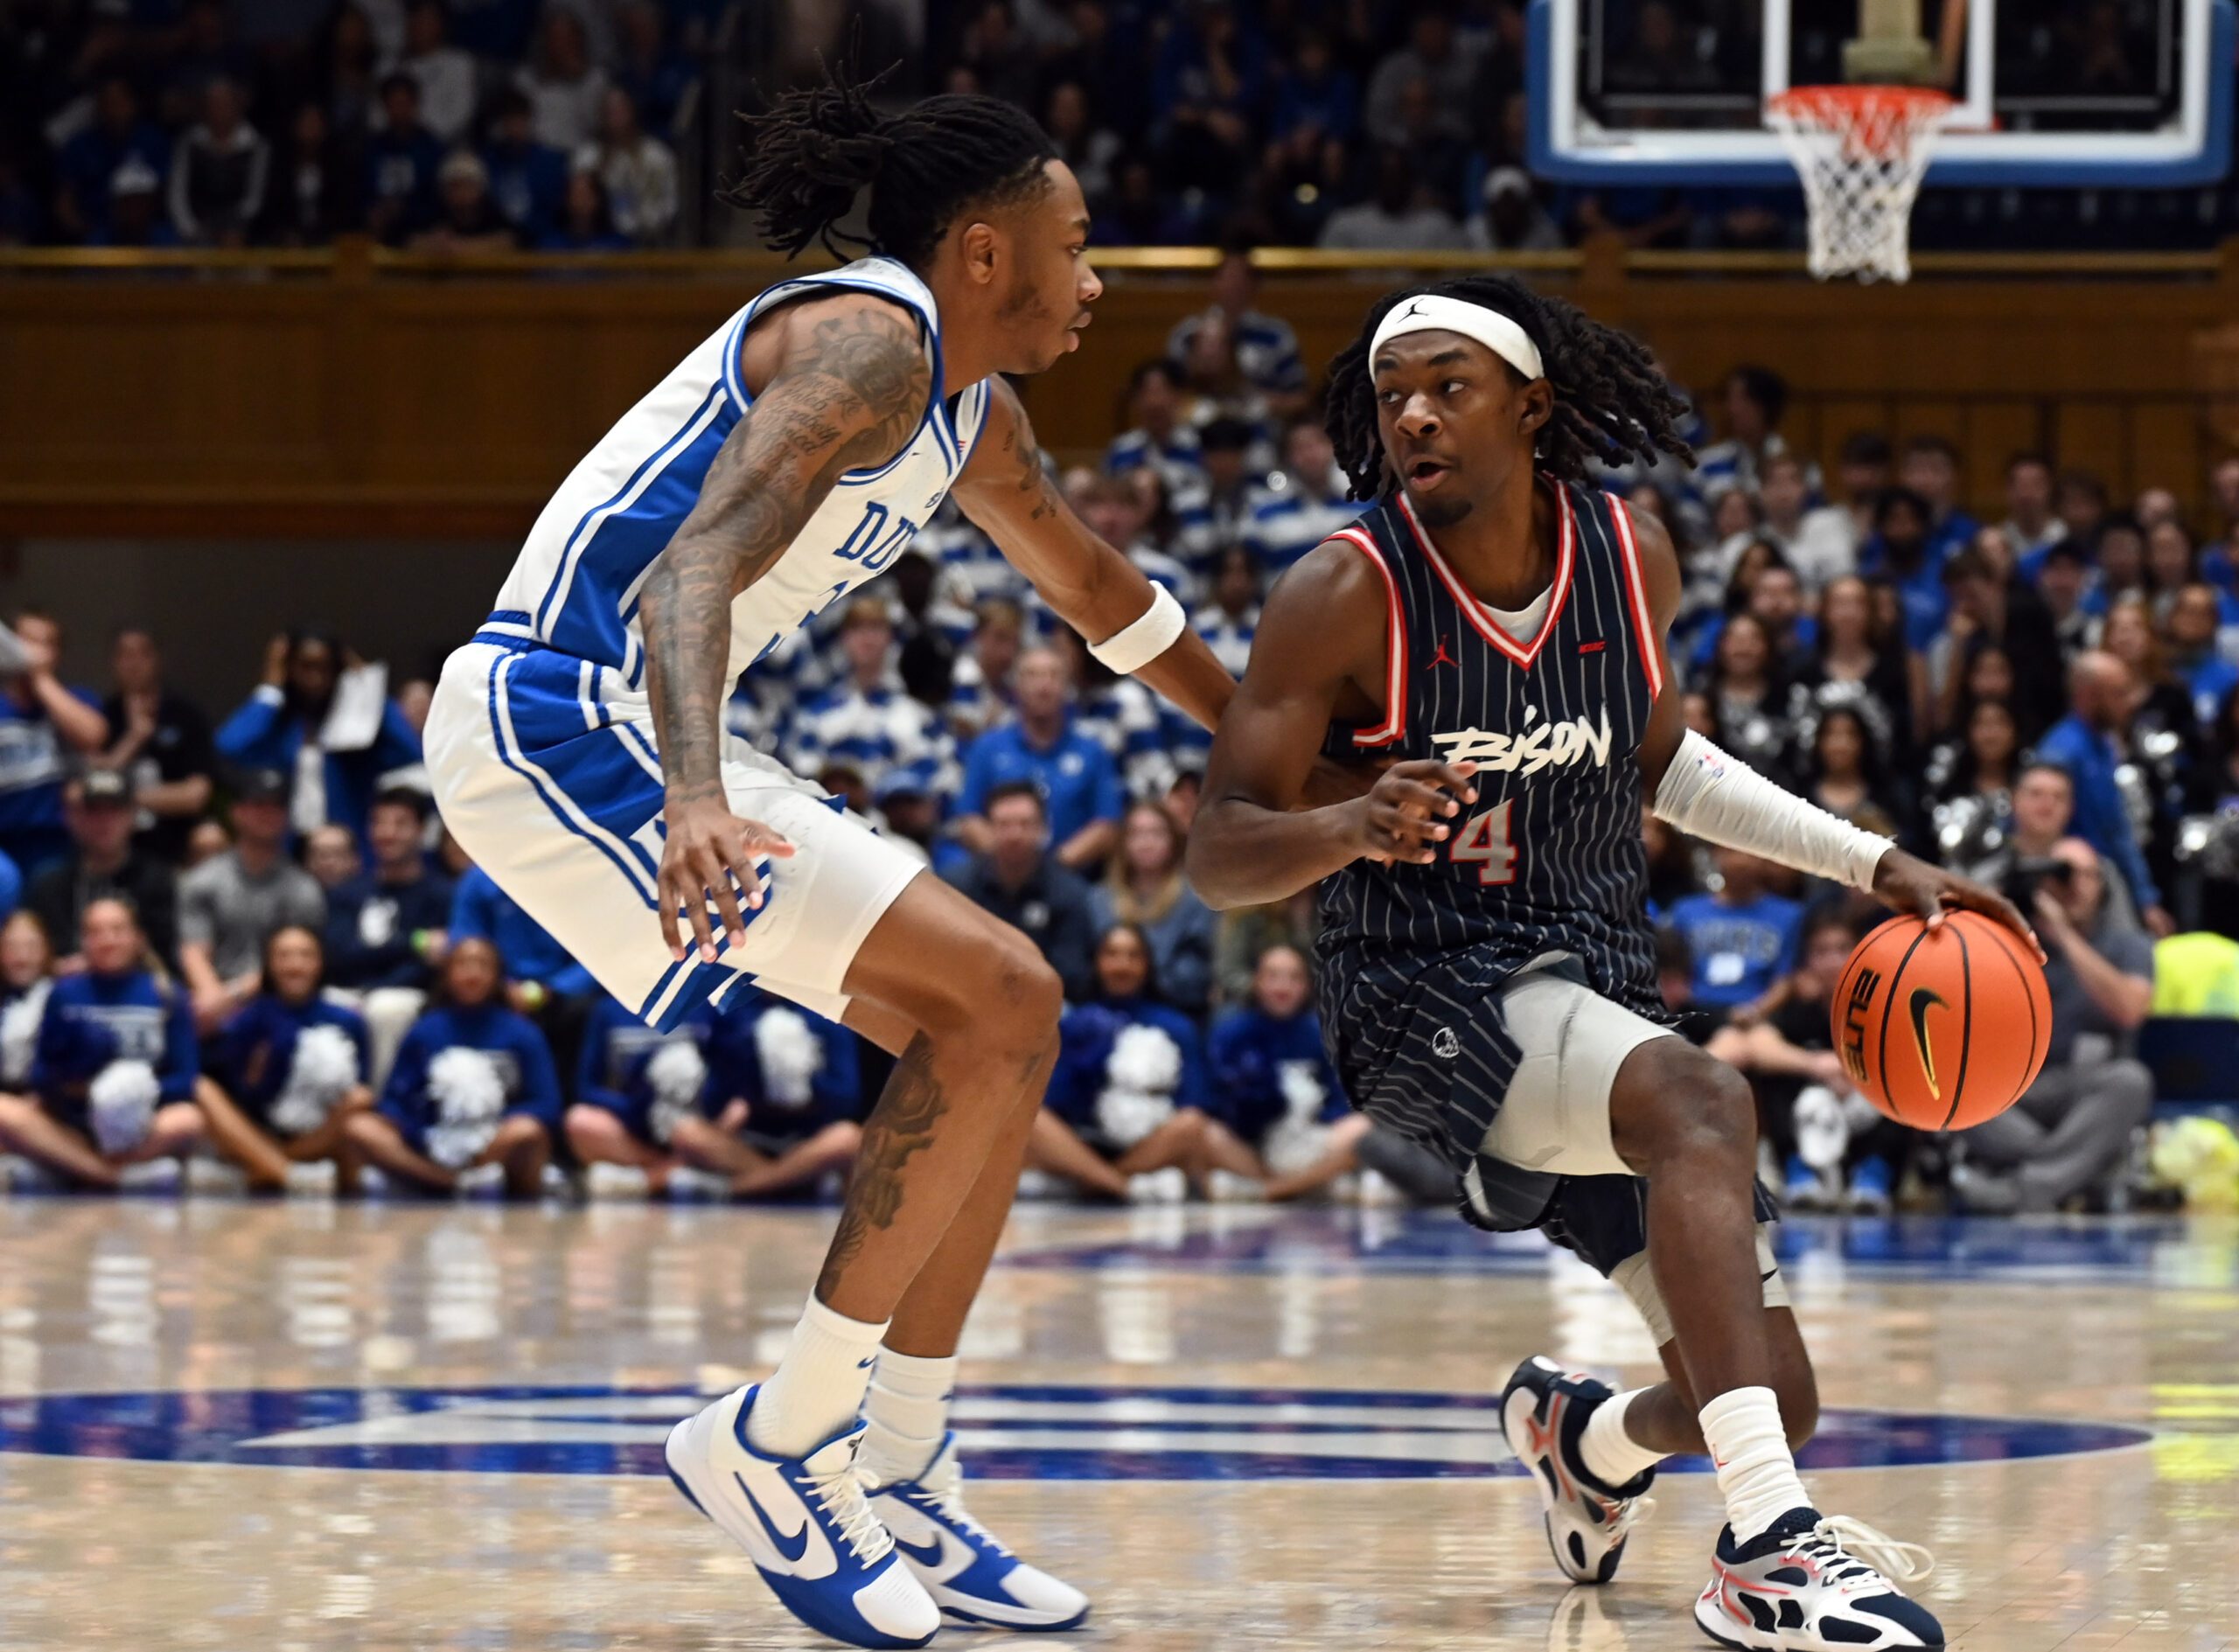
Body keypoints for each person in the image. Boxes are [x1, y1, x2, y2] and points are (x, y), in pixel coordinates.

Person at [419, 69, 1280, 1645]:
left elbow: (1099, 592)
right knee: (1005, 990)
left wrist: (1265, 740)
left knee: (991, 1042)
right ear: (978, 253)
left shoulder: (970, 413)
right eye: (1073, 244)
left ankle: (897, 1457)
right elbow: (691, 567)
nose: (1096, 279)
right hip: (568, 712)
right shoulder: (867, 341)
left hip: (667, 725)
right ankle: (776, 1436)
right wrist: (690, 793)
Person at [1184, 274, 2031, 1650]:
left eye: (1447, 385)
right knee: (1699, 1100)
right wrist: (1347, 821)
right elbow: (1219, 849)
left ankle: (1592, 1443)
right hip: (1428, 995)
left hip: (1593, 980)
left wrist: (1876, 863)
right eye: (1393, 393)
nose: (1412, 415)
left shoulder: (1627, 555)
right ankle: (1766, 1554)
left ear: (1533, 406)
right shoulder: (1344, 588)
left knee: (1769, 1392)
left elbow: (1662, 766)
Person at [1952, 839, 2154, 1213]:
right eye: (2062, 874)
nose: (2073, 885)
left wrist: (2064, 933)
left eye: (2085, 876)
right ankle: (2076, 1168)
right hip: (2008, 1089)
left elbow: (2130, 1010)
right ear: (2041, 880)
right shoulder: (2009, 939)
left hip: (2082, 1087)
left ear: (2103, 885)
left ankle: (2024, 1187)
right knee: (1948, 1077)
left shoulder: (2129, 944)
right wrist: (1984, 915)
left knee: (2131, 1080)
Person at [568, 985, 865, 1199]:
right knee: (687, 1131)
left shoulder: (828, 1015)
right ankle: (794, 1181)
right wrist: (747, 1096)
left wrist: (807, 1093)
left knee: (848, 1138)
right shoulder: (731, 1010)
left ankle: (732, 1188)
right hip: (742, 1138)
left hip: (806, 1137)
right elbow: (718, 1083)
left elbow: (848, 1096)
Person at [0, 897, 205, 1191]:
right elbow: (40, 1072)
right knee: (4, 1109)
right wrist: (76, 1088)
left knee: (188, 1119)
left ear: (138, 938)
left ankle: (70, 1168)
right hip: (75, 1122)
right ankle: (113, 1176)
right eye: (96, 932)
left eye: (118, 930)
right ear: (84, 942)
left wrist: (137, 1092)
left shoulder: (167, 993)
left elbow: (186, 1078)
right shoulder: (63, 993)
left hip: (140, 1123)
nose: (107, 940)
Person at [1710, 911, 1908, 1214]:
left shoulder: (1882, 1004)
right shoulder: (1798, 1009)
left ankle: (1874, 1175)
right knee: (1776, 1074)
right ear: (1807, 961)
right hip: (1811, 1120)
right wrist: (1817, 1065)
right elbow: (1757, 1045)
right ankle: (1798, 1171)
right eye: (1821, 952)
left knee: (1905, 1083)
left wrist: (1852, 1072)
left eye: (1843, 949)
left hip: (1866, 1114)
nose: (1833, 961)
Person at [343, 936, 557, 1198]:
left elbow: (547, 1103)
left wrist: (490, 1128)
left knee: (528, 1131)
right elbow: (394, 1101)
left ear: (497, 974)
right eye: (463, 964)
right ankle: (447, 1181)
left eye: (482, 964)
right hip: (432, 1144)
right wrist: (421, 1134)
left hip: (494, 1142)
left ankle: (478, 1176)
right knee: (358, 1127)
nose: (473, 973)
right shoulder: (425, 1030)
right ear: (447, 973)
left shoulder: (523, 1032)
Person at [1028, 923, 1213, 1201]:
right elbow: (1052, 1102)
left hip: (1149, 1143)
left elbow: (1194, 1101)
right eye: (1112, 954)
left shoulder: (1177, 1026)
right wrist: (1083, 1071)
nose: (1122, 965)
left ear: (1147, 964)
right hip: (1085, 1139)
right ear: (1097, 962)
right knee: (1032, 1121)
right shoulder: (1075, 1022)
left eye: (1133, 956)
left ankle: (1095, 1180)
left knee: (1193, 1125)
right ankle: (1121, 1186)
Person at [204, 925, 374, 1193]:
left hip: (319, 1134)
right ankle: (288, 1173)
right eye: (284, 956)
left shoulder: (348, 1020)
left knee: (361, 1103)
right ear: (269, 965)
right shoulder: (246, 1019)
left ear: (320, 963)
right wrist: (254, 1078)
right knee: (202, 1091)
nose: (295, 965)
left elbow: (361, 1088)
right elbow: (234, 1092)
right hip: (256, 1130)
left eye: (305, 955)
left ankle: (269, 1166)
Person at [217, 631, 422, 851]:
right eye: (305, 666)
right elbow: (230, 746)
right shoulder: (278, 727)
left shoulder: (355, 729)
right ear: (289, 669)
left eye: (325, 668)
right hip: (288, 850)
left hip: (347, 849)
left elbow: (410, 750)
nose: (315, 678)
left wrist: (364, 687)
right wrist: (271, 686)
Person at [1201, 943, 1374, 1202]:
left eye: (1293, 978)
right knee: (1202, 1131)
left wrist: (1318, 1118)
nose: (1282, 987)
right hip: (1250, 1146)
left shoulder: (1324, 1033)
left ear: (1307, 986)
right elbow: (1216, 1103)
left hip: (1308, 1139)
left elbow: (1343, 1098)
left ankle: (1269, 1190)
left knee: (1362, 1128)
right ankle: (1304, 1185)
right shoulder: (1230, 1032)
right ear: (1257, 981)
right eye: (1272, 977)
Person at [178, 771, 327, 1035]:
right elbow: (193, 950)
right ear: (236, 812)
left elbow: (299, 959)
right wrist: (211, 995)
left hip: (278, 996)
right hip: (213, 993)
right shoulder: (203, 880)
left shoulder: (304, 888)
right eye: (258, 805)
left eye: (276, 807)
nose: (267, 815)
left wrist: (230, 997)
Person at [952, 645, 1124, 873]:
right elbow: (969, 818)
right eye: (1032, 675)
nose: (1044, 686)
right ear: (1016, 686)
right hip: (999, 875)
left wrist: (1051, 870)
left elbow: (1107, 824)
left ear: (1067, 686)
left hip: (1071, 881)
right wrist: (1012, 862)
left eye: (1054, 676)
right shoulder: (987, 747)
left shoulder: (1093, 751)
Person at [2037, 652, 2173, 933]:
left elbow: (2117, 828)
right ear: (2089, 695)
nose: (2130, 703)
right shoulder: (2061, 752)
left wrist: (2145, 897)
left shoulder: (2105, 745)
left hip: (2107, 880)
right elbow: (2040, 831)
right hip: (2073, 889)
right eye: (2119, 693)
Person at [324, 785, 454, 1081]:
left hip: (405, 995)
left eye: (400, 824)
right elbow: (338, 952)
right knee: (327, 1004)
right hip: (347, 989)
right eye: (379, 823)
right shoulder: (348, 892)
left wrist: (375, 981)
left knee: (386, 1009)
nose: (387, 833)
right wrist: (412, 942)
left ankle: (381, 1105)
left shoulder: (440, 895)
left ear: (421, 830)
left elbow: (430, 966)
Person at [940, 780, 1099, 1002]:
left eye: (1025, 824)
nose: (1015, 835)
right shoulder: (955, 887)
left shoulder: (1069, 892)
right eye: (1004, 824)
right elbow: (943, 961)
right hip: (968, 999)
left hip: (1043, 1005)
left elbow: (1072, 976)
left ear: (1044, 829)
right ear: (989, 828)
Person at [24, 770, 179, 968]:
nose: (104, 821)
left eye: (114, 810)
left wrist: (98, 963)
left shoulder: (158, 880)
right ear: (76, 818)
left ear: (132, 816)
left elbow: (166, 957)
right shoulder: (49, 885)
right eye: (94, 811)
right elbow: (37, 956)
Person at [0, 611, 110, 876]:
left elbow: (92, 736)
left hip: (56, 840)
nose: (33, 651)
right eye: (26, 641)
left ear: (57, 653)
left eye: (45, 643)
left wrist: (40, 679)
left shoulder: (78, 698)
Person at [1090, 799, 1216, 1021]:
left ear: (1173, 841)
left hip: (1177, 1012)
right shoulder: (1098, 899)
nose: (1146, 842)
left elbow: (1197, 970)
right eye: (1136, 834)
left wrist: (1151, 982)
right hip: (1106, 1011)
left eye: (1157, 833)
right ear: (1123, 842)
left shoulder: (1197, 899)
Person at [100, 626, 214, 866]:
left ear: (157, 660)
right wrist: (134, 739)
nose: (134, 663)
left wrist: (126, 798)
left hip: (175, 841)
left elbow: (195, 795)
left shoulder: (185, 715)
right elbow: (95, 788)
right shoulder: (101, 717)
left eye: (143, 654)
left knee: (209, 838)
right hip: (115, 844)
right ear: (114, 662)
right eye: (125, 655)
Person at [1664, 848, 1806, 1022]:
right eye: (1731, 852)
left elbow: (1785, 980)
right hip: (1695, 1015)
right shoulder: (1684, 911)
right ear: (1716, 853)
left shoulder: (1790, 915)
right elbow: (1672, 976)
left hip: (1761, 1018)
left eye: (1749, 852)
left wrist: (1755, 1012)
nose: (1741, 861)